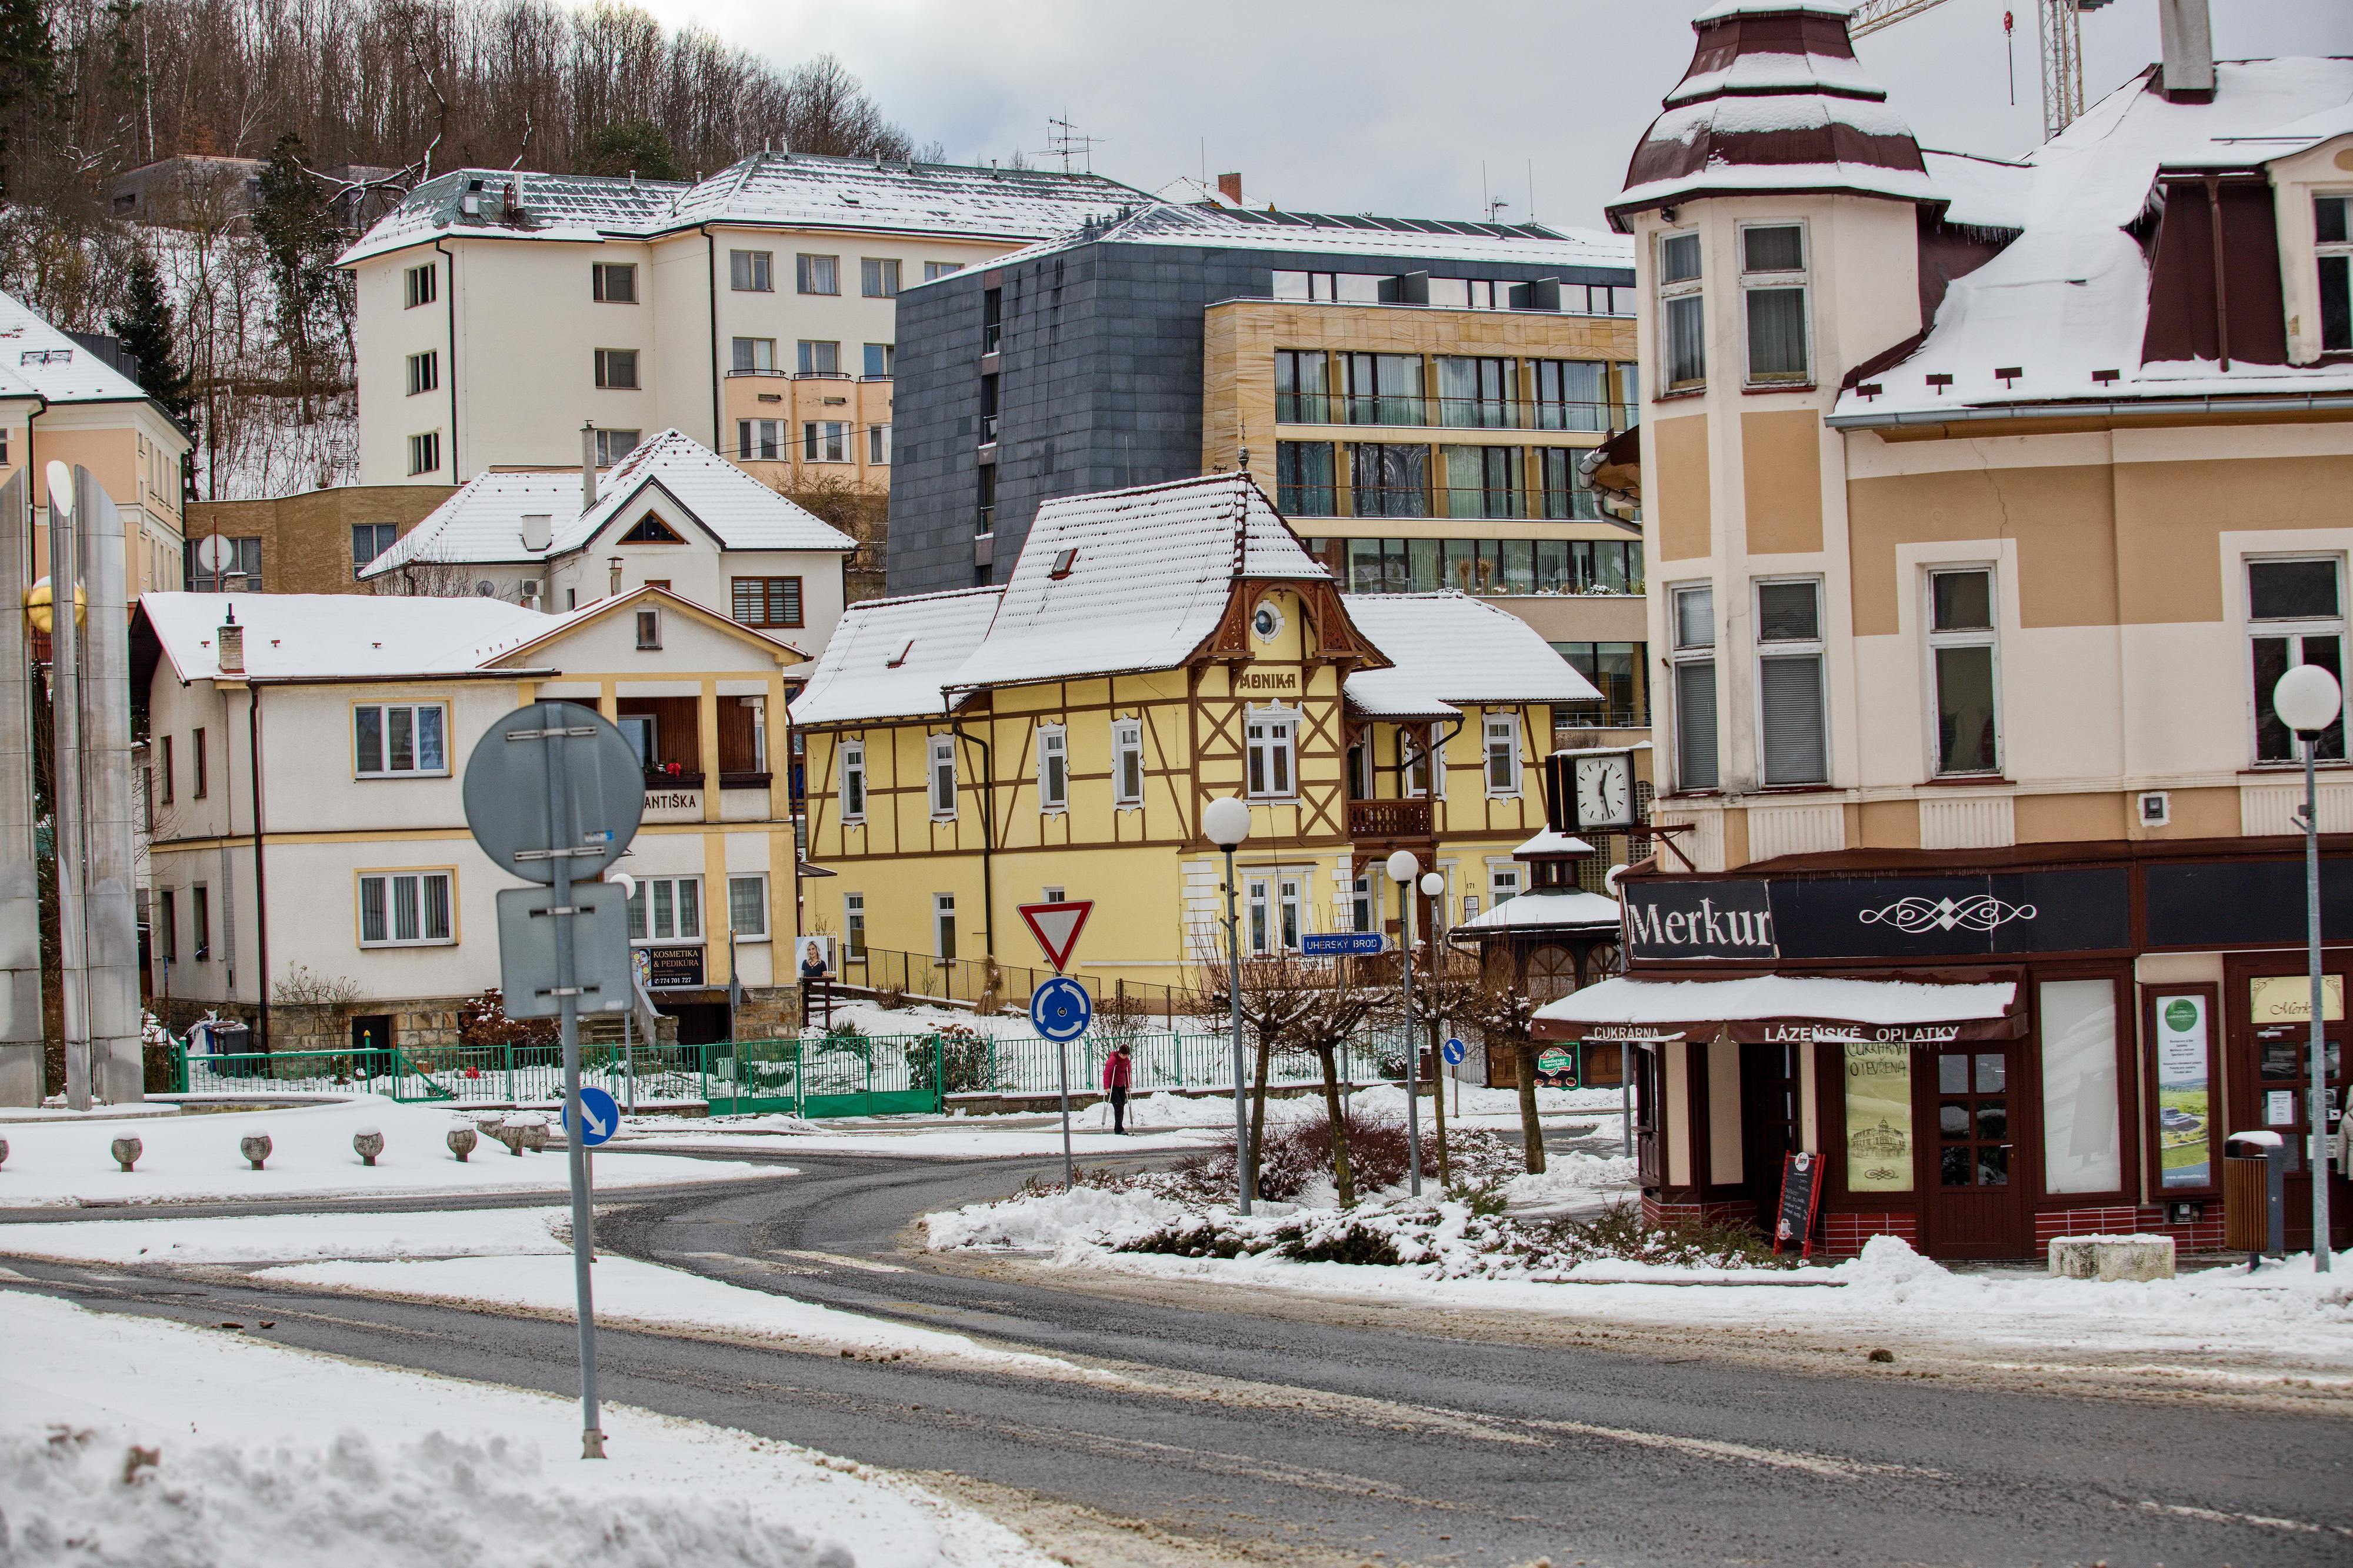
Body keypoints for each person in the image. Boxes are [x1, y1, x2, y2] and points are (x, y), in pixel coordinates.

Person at [1101, 1042, 1133, 1134]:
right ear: (1120, 1053)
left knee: (1122, 1106)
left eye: (1126, 1055)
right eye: (1123, 1055)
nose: (1125, 1057)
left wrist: (1128, 1086)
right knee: (1118, 1106)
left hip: (1121, 1086)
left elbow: (1128, 1073)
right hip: (1112, 1087)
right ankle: (1119, 1129)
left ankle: (1118, 1128)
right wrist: (1107, 1087)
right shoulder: (1113, 1060)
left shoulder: (1127, 1061)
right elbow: (1106, 1073)